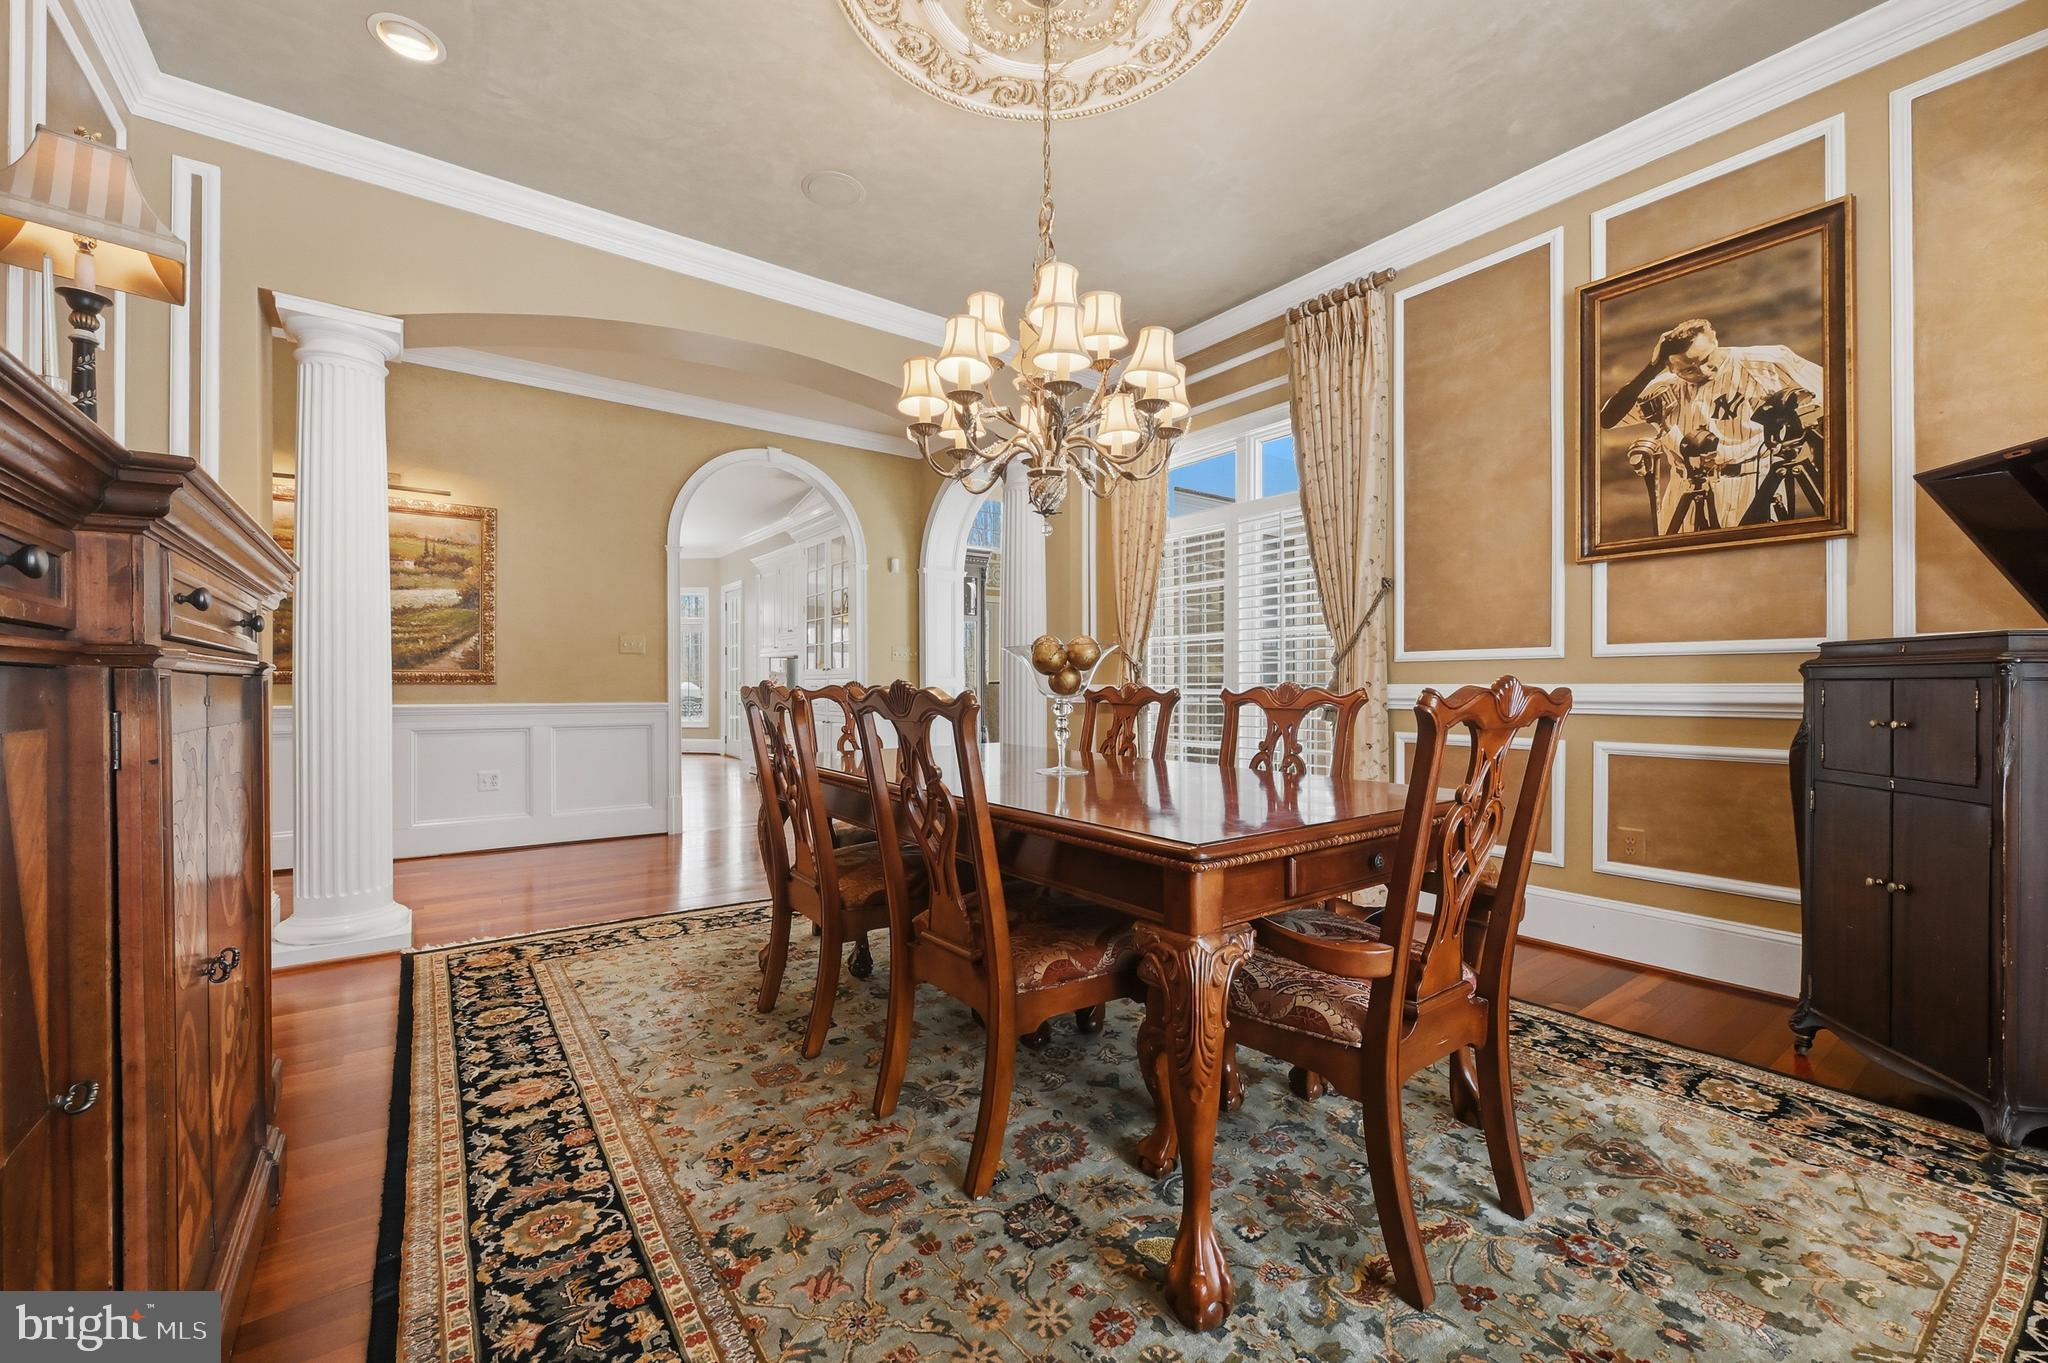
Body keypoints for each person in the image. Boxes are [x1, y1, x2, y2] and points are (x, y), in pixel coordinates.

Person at [1599, 318, 1824, 533]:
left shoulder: (1765, 362)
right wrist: (1651, 367)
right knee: (1676, 567)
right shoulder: (1665, 385)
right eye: (1688, 369)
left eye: (1706, 359)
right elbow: (1607, 419)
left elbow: (1832, 391)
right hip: (1684, 488)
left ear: (1714, 339)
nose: (1703, 371)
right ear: (1670, 367)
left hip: (1752, 482)